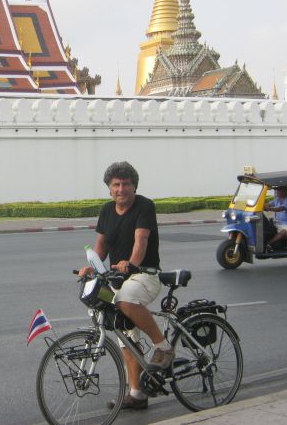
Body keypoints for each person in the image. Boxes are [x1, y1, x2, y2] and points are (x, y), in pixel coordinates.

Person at [79, 161, 174, 411]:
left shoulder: (144, 205)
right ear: (109, 189)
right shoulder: (107, 210)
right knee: (125, 336)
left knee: (125, 300)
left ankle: (162, 346)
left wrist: (131, 264)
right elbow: (101, 244)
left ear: (134, 186)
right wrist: (92, 266)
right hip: (117, 278)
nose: (121, 189)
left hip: (145, 275)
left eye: (126, 184)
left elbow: (140, 240)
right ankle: (137, 394)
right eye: (116, 185)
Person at [264, 185, 287, 250]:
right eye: (277, 190)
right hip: (277, 222)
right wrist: (263, 204)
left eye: (279, 190)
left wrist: (269, 209)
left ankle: (268, 243)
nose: (277, 192)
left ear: (286, 192)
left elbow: (280, 209)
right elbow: (268, 204)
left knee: (284, 231)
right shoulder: (277, 199)